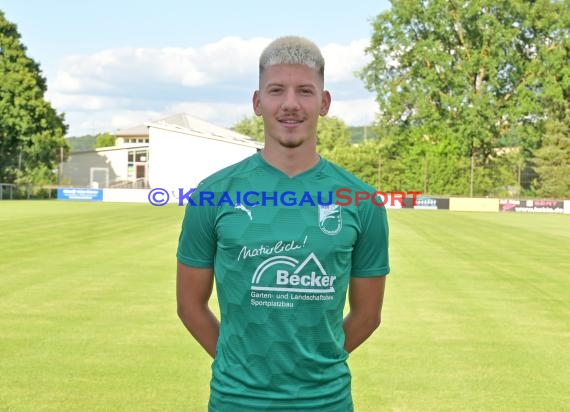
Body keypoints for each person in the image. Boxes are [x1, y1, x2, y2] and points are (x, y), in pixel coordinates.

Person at [176, 35, 390, 412]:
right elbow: (190, 306)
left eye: (305, 91)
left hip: (326, 402)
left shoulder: (362, 200)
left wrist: (318, 364)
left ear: (324, 103)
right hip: (235, 401)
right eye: (277, 90)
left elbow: (367, 315)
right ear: (258, 102)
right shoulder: (212, 194)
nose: (290, 104)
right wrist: (238, 366)